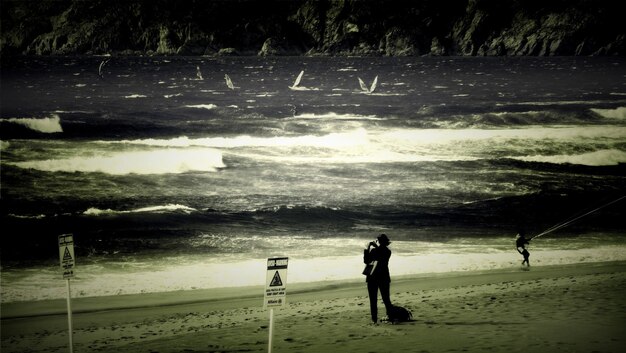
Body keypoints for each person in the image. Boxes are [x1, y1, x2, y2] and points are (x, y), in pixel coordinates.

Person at [363, 233, 393, 324]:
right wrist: (373, 247)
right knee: (386, 299)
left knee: (373, 300)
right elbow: (377, 257)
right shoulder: (387, 251)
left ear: (380, 242)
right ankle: (390, 316)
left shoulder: (376, 251)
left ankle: (374, 319)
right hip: (384, 277)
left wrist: (367, 248)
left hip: (373, 277)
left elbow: (366, 261)